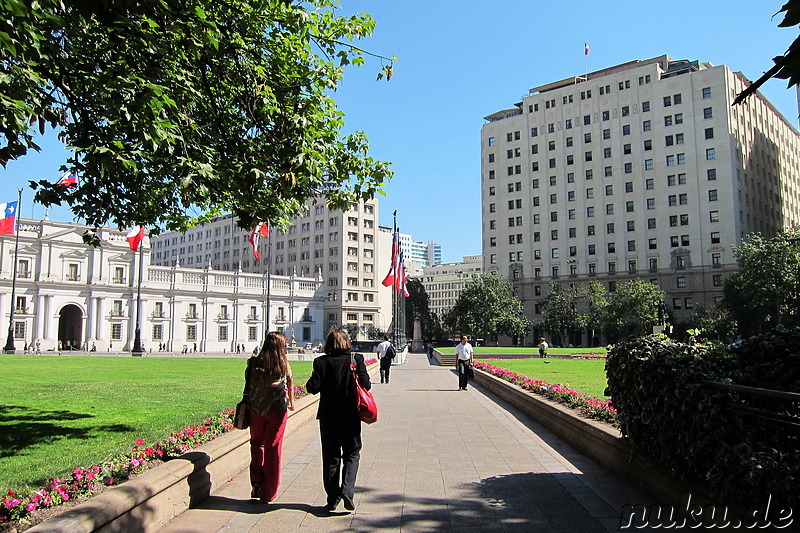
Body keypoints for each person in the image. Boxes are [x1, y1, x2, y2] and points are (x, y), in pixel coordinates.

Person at [306, 329, 371, 512]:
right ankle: (348, 491)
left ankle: (332, 497)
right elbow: (367, 384)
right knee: (352, 453)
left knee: (331, 457)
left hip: (328, 416)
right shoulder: (355, 360)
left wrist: (313, 379)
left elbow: (313, 388)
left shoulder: (321, 362)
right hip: (350, 415)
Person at [245, 331, 295, 503]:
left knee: (257, 444)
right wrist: (292, 403)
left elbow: (248, 383)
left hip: (256, 410)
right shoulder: (283, 365)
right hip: (277, 411)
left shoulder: (253, 363)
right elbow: (290, 384)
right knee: (273, 449)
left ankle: (256, 484)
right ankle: (269, 492)